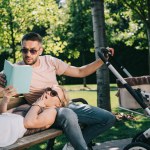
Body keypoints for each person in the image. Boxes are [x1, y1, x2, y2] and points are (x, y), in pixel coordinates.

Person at [0, 32, 116, 150]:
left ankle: (71, 146)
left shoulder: (50, 61)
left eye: (33, 51)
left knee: (108, 118)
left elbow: (80, 72)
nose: (28, 54)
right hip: (44, 112)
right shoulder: (15, 70)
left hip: (63, 104)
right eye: (24, 50)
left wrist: (102, 60)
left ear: (40, 50)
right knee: (67, 114)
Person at [0, 85, 68, 147]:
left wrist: (38, 104)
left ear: (59, 104)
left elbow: (28, 123)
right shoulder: (27, 106)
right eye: (48, 89)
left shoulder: (51, 111)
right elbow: (5, 114)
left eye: (53, 93)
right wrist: (5, 99)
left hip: (10, 127)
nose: (48, 92)